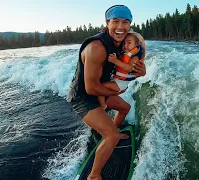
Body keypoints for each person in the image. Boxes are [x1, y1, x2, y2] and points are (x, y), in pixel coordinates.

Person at [66, 5, 146, 180]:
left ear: (130, 24)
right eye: (115, 21)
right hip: (83, 97)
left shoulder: (123, 45)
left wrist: (142, 70)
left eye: (125, 22)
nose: (120, 26)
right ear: (107, 23)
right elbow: (91, 88)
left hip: (100, 89)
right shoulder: (96, 47)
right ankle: (94, 175)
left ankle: (110, 135)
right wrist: (118, 91)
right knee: (112, 136)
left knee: (125, 108)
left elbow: (134, 64)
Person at [98, 31, 145, 110]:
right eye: (124, 43)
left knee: (101, 87)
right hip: (118, 80)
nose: (125, 45)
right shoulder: (124, 53)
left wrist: (115, 61)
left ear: (137, 45)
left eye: (129, 43)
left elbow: (129, 68)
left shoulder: (135, 57)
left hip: (121, 84)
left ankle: (102, 105)